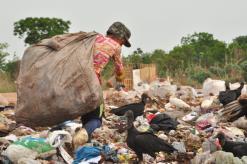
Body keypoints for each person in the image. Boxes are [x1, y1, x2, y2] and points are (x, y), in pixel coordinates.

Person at [81, 22, 131, 140]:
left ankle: (84, 138)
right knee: (96, 119)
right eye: (123, 42)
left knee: (85, 113)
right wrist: (120, 78)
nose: (122, 45)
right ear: (120, 37)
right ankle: (81, 137)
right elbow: (119, 71)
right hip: (91, 83)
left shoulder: (93, 39)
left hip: (74, 79)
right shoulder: (115, 46)